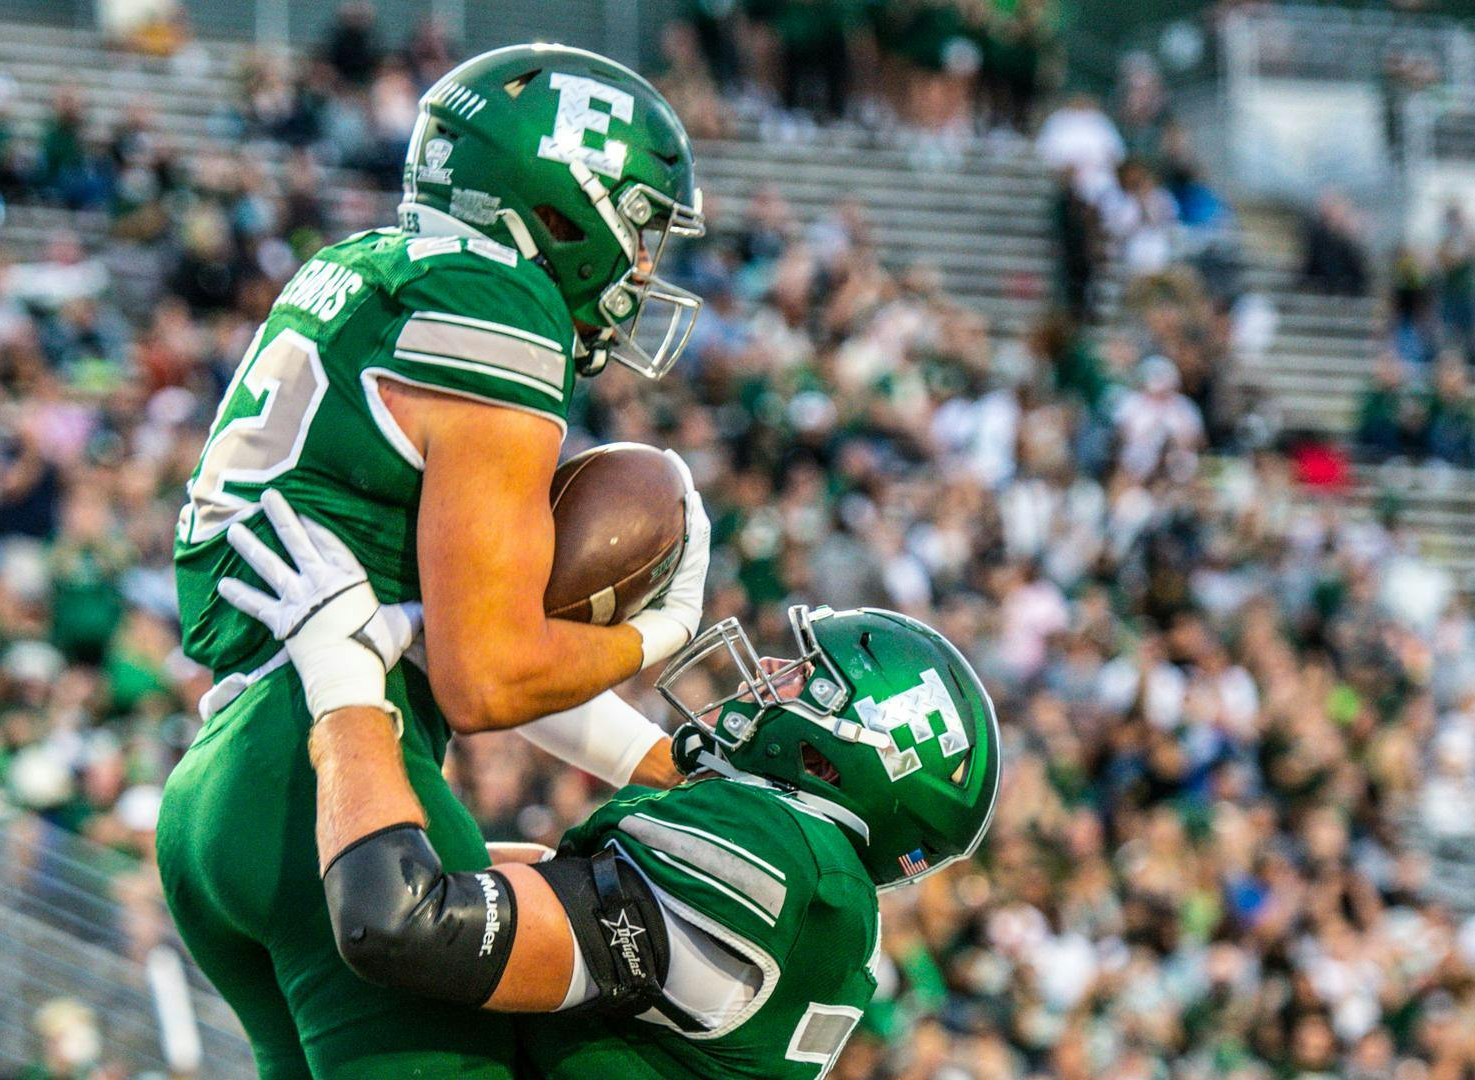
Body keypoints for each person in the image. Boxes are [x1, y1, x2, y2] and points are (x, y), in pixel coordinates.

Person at [156, 44, 714, 1079]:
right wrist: (661, 632)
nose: (642, 266)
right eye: (636, 225)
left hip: (229, 778)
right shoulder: (497, 306)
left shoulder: (371, 266)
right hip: (325, 770)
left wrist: (655, 765)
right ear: (561, 204)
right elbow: (485, 673)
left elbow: (436, 638)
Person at [221, 491, 1000, 1078]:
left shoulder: (782, 860)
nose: (767, 673)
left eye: (805, 679)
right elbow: (520, 879)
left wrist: (342, 693)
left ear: (849, 756)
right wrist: (453, 648)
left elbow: (398, 920)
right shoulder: (815, 882)